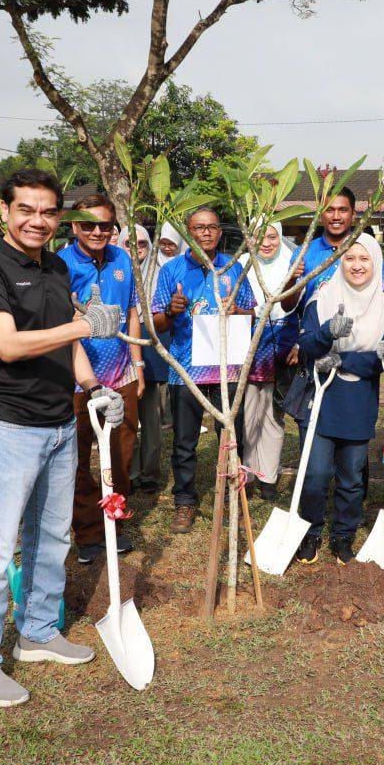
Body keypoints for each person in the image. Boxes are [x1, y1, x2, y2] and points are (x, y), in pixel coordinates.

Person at [0, 168, 125, 708]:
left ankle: (37, 633)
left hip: (59, 423)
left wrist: (95, 385)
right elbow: (6, 344)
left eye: (48, 211)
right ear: (4, 212)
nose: (37, 220)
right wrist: (83, 327)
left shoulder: (54, 266)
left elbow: (67, 345)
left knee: (52, 540)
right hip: (8, 428)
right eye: (25, 209)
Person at [151, 208, 256, 533]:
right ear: (189, 232)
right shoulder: (172, 270)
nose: (207, 233)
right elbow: (156, 321)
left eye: (212, 227)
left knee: (232, 437)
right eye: (199, 227)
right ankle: (184, 500)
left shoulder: (232, 266)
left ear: (219, 233)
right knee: (185, 441)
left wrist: (238, 311)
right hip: (186, 369)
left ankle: (230, 497)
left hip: (228, 369)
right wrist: (171, 310)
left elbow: (251, 313)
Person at [294, 233, 384, 564]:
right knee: (315, 472)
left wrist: (344, 360)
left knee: (352, 477)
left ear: (376, 264)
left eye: (364, 259)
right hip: (322, 397)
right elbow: (306, 346)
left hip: (358, 400)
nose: (356, 265)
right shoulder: (322, 299)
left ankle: (343, 536)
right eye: (350, 258)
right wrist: (327, 333)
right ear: (340, 262)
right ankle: (309, 533)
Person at [58, 193, 144, 564]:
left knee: (120, 458)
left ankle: (115, 525)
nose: (97, 231)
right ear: (74, 226)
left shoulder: (123, 259)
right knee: (75, 461)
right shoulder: (59, 264)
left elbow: (132, 311)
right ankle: (88, 533)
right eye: (88, 224)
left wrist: (137, 366)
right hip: (75, 380)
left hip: (121, 374)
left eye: (105, 225)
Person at [238, 222, 298, 502]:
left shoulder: (293, 264)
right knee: (249, 413)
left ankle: (269, 477)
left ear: (280, 237)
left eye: (272, 236)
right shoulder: (242, 265)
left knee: (273, 416)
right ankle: (247, 475)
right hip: (248, 345)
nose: (266, 243)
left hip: (282, 346)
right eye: (258, 237)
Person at [127, 226, 169, 494]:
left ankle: (149, 473)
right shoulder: (115, 272)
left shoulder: (160, 271)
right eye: (131, 242)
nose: (137, 247)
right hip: (124, 351)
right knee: (127, 418)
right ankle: (128, 472)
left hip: (153, 350)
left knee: (152, 420)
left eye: (142, 242)